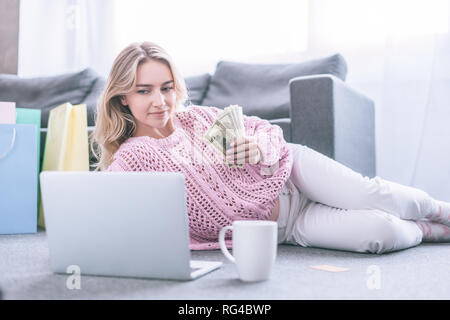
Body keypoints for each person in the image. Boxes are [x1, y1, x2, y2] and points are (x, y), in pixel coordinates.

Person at [91, 41, 450, 254]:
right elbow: (109, 213)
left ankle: (441, 210)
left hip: (292, 174)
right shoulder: (131, 160)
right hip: (286, 228)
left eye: (166, 87)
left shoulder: (197, 119)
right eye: (144, 90)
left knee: (373, 194)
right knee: (379, 234)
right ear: (122, 98)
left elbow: (264, 129)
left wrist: (256, 147)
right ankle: (432, 231)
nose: (160, 100)